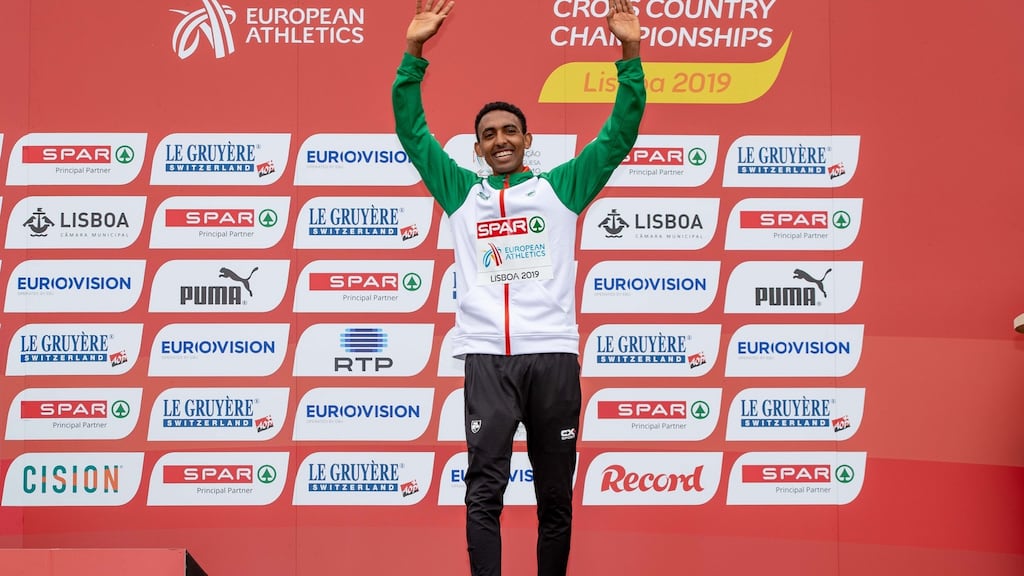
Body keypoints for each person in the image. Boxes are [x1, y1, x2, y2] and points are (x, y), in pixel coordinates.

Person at [392, 1, 645, 574]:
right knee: (485, 492)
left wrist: (629, 54)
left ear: (527, 139)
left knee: (555, 496)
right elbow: (412, 131)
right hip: (487, 360)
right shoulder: (461, 194)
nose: (500, 139)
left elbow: (618, 135)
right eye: (488, 135)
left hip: (552, 355)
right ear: (477, 149)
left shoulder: (560, 189)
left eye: (509, 130)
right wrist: (414, 53)